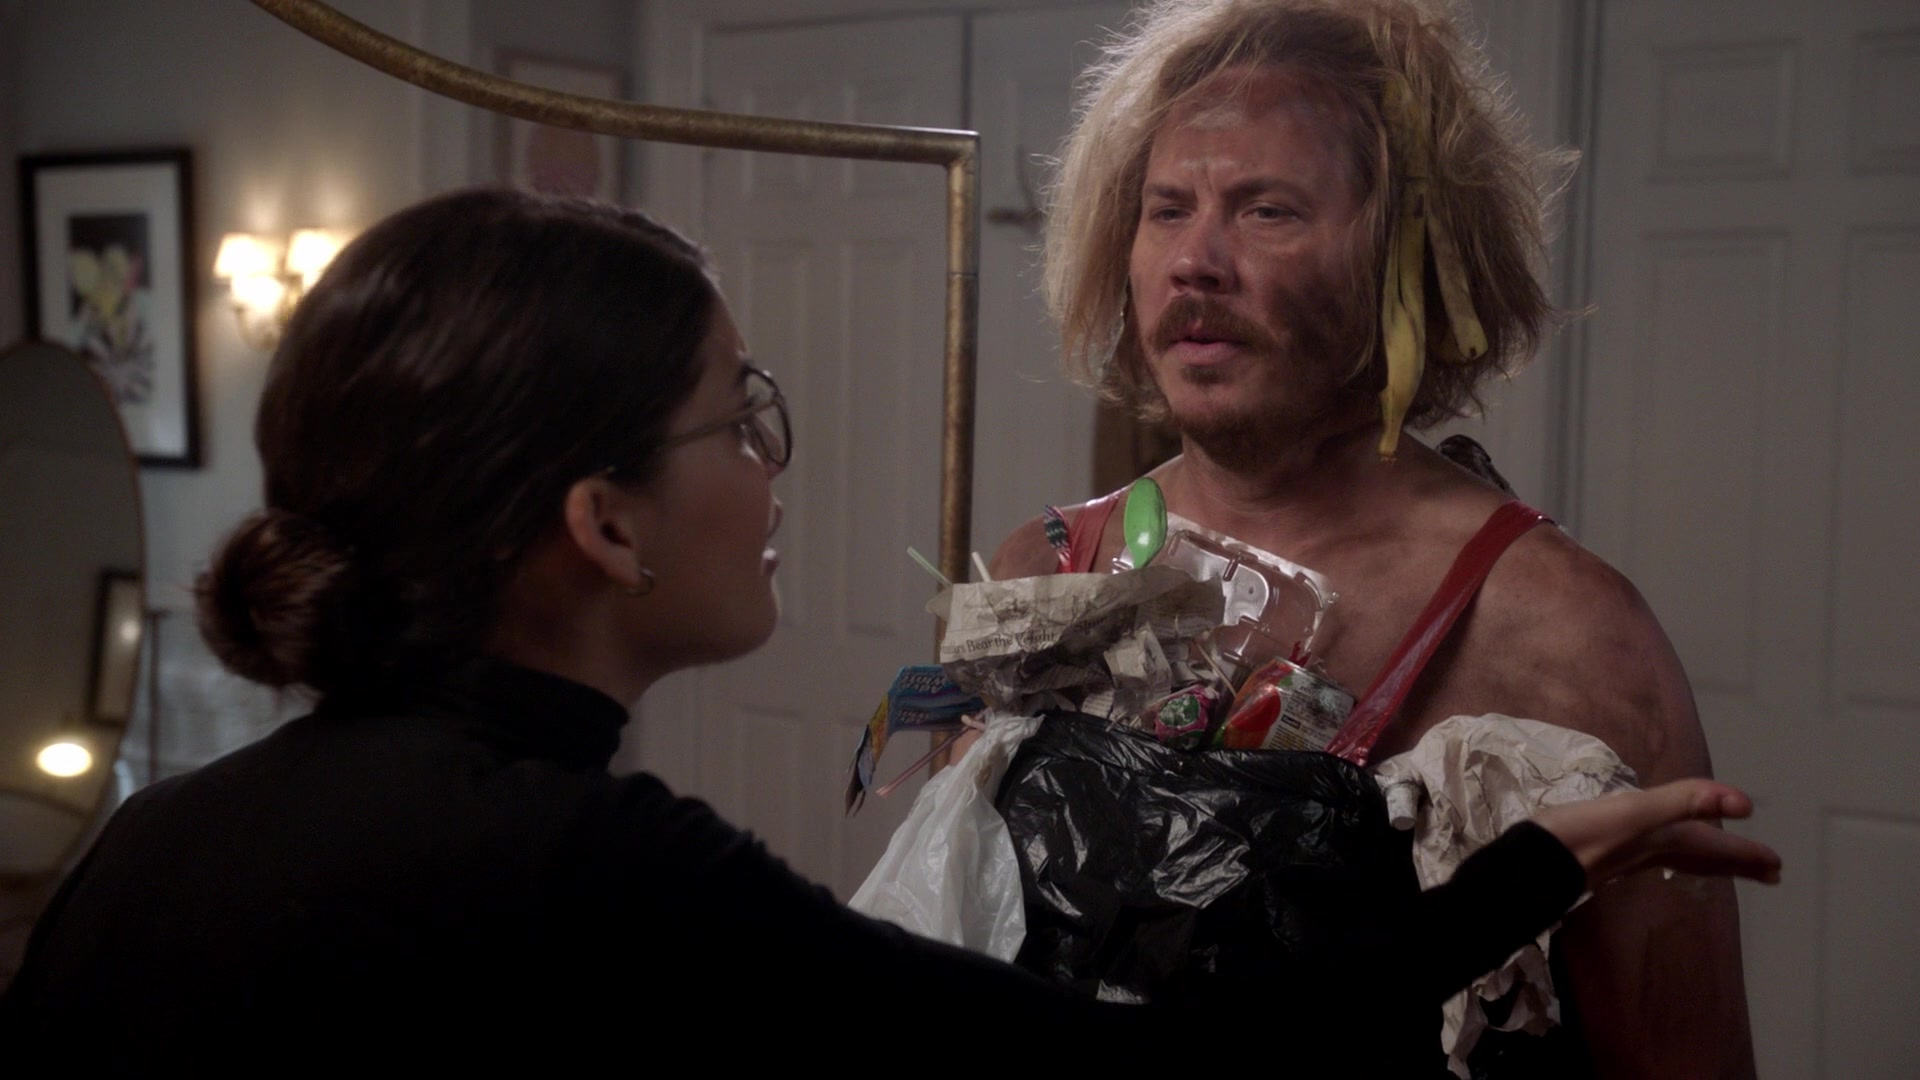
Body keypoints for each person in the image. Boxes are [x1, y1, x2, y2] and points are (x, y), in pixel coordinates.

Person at [0, 190, 1775, 1067]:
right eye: (738, 418)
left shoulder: (153, 847)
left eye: (1266, 208)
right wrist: (1514, 878)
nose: (775, 470)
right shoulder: (593, 876)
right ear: (603, 525)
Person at [988, 1, 1754, 1075]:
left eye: (1266, 210)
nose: (1195, 260)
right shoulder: (1042, 577)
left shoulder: (1565, 639)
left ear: (1408, 259)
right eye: (1167, 210)